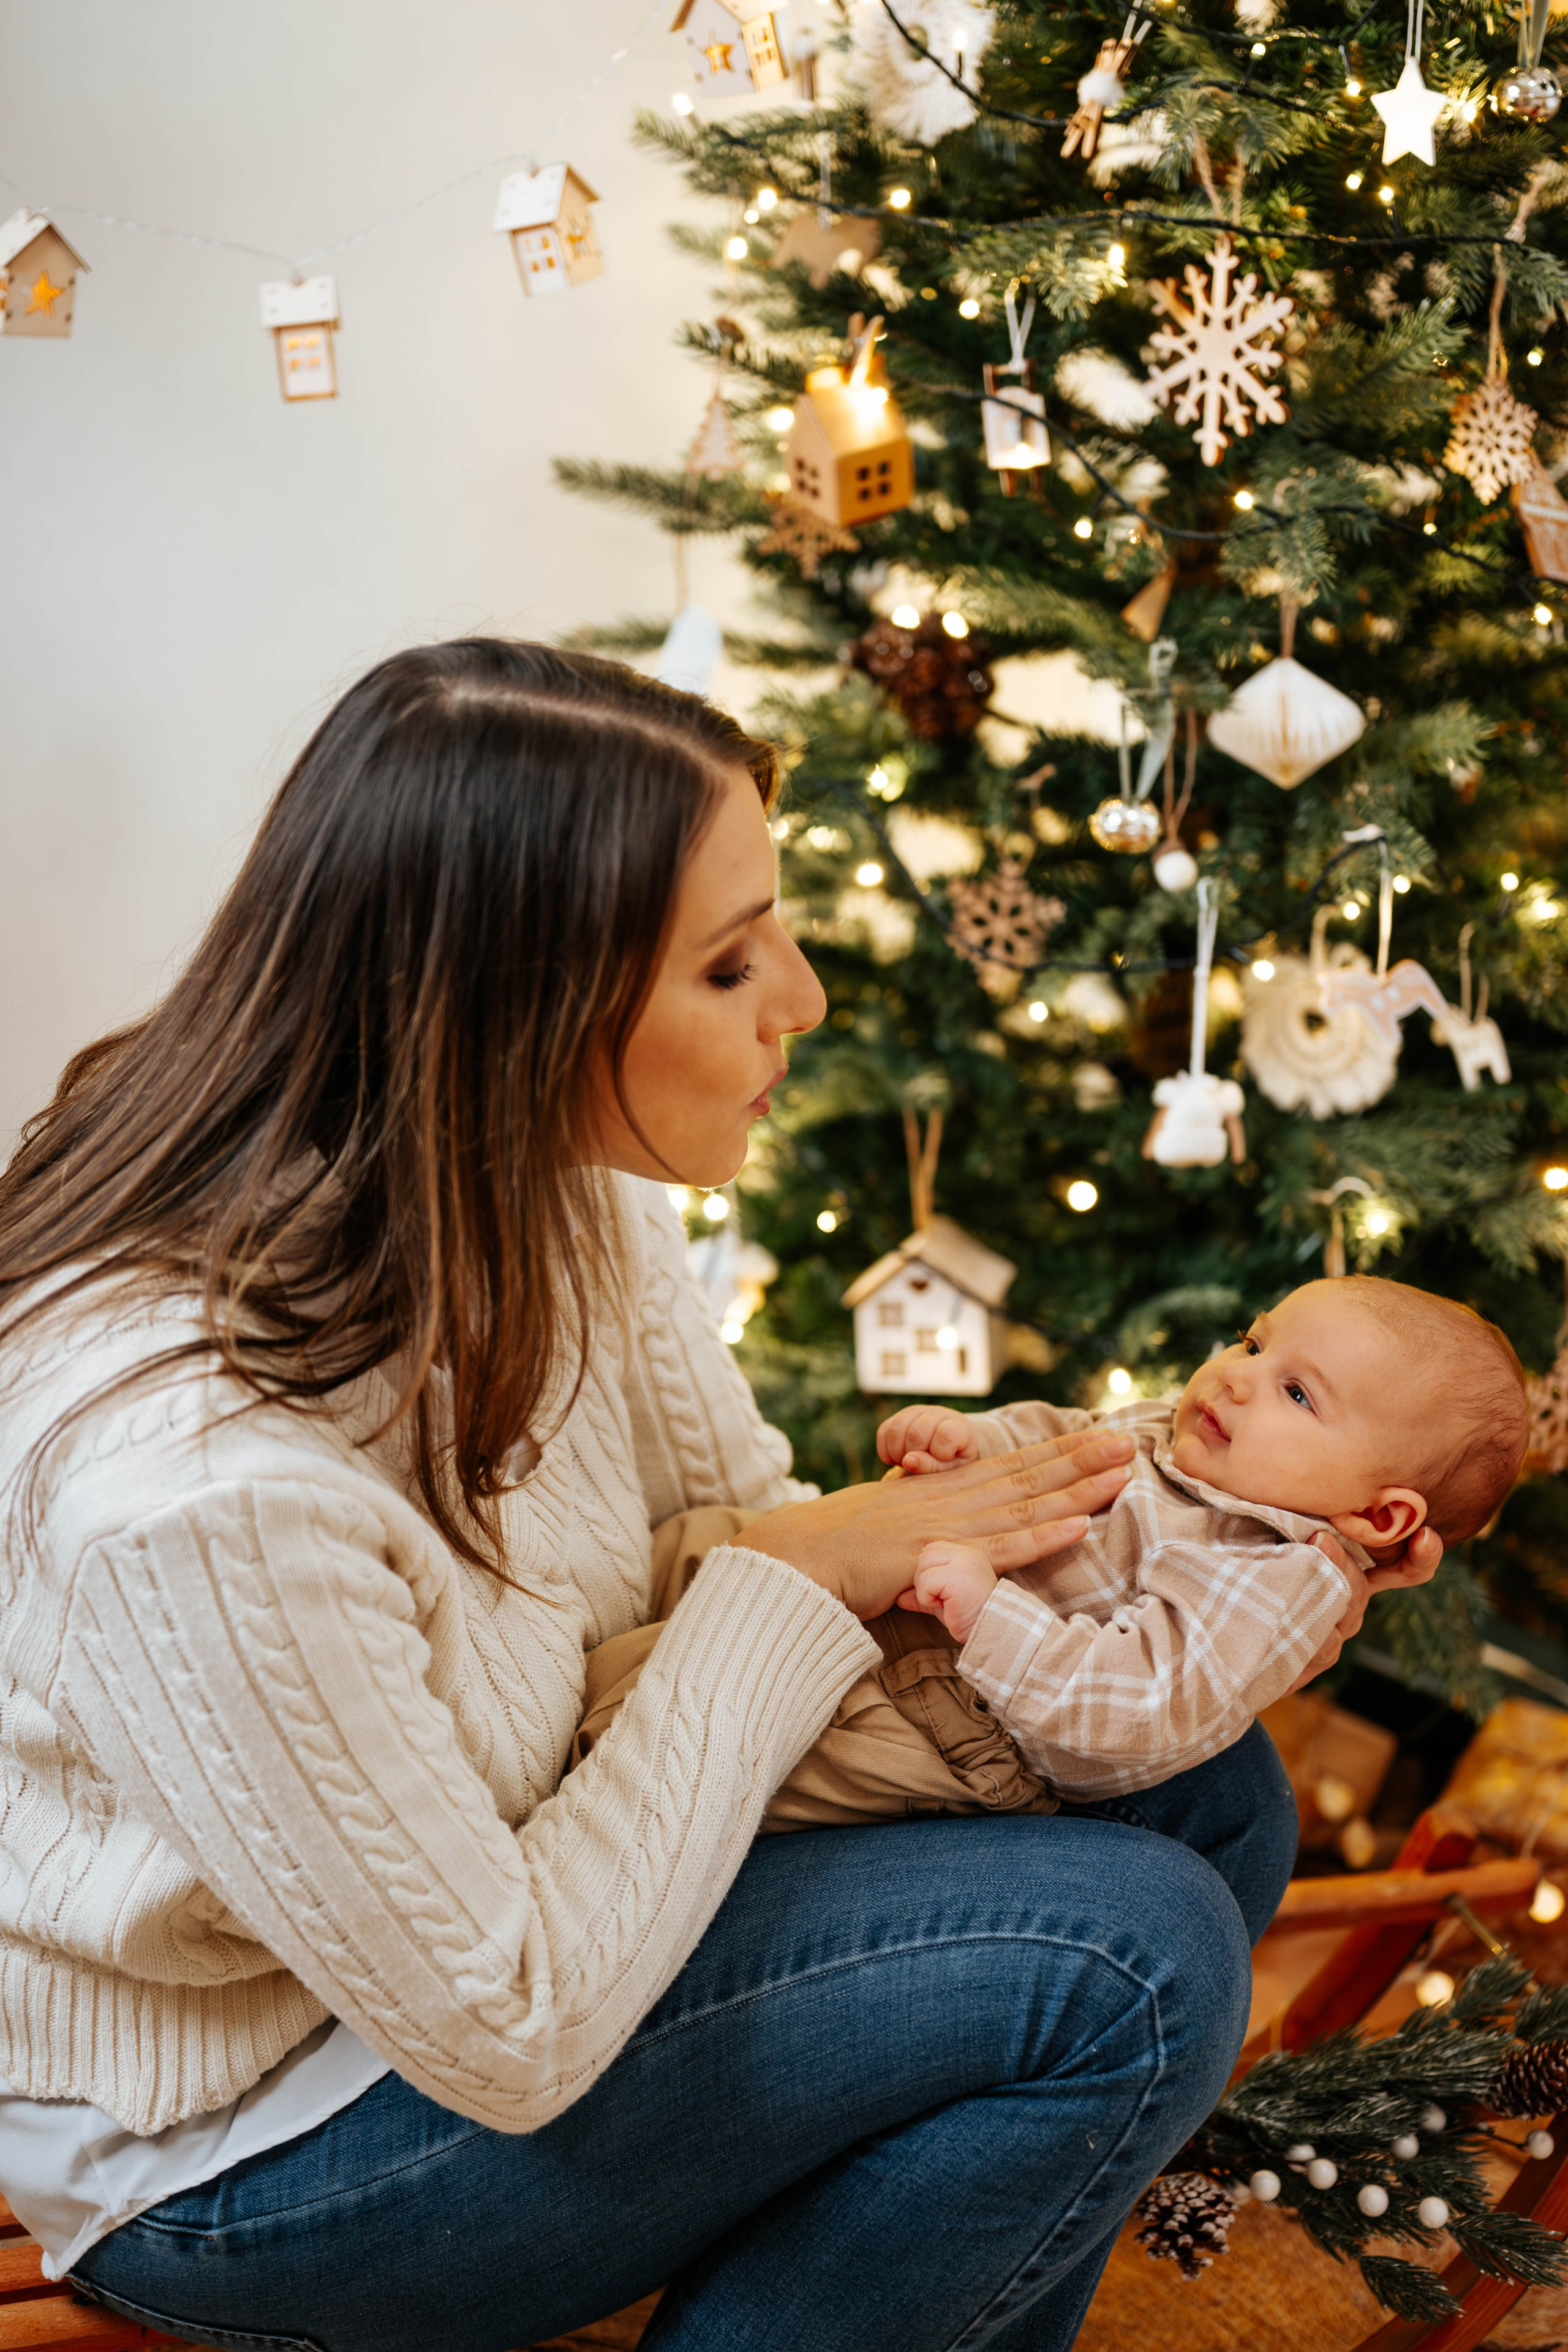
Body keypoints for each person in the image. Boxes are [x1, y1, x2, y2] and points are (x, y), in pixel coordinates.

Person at [0, 641, 1432, 2352]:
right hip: (259, 2132)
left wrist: (1223, 1557)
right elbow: (509, 2019)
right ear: (520, 1008)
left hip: (515, 1891)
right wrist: (800, 1573)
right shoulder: (199, 1490)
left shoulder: (546, 1179)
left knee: (1214, 1798)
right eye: (731, 961)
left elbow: (744, 1535)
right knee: (1132, 1964)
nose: (803, 1000)